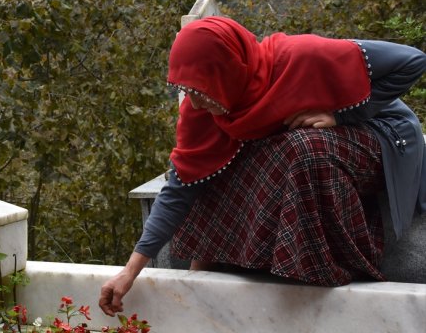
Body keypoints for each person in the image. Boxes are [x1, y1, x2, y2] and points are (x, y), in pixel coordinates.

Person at [99, 16, 426, 317]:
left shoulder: (299, 56)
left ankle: (330, 268)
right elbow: (180, 186)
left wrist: (340, 116)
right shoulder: (208, 111)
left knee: (300, 146)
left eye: (201, 90)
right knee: (218, 164)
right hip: (311, 143)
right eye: (188, 91)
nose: (194, 102)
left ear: (226, 72)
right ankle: (218, 266)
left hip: (379, 133)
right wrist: (130, 271)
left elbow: (413, 60)